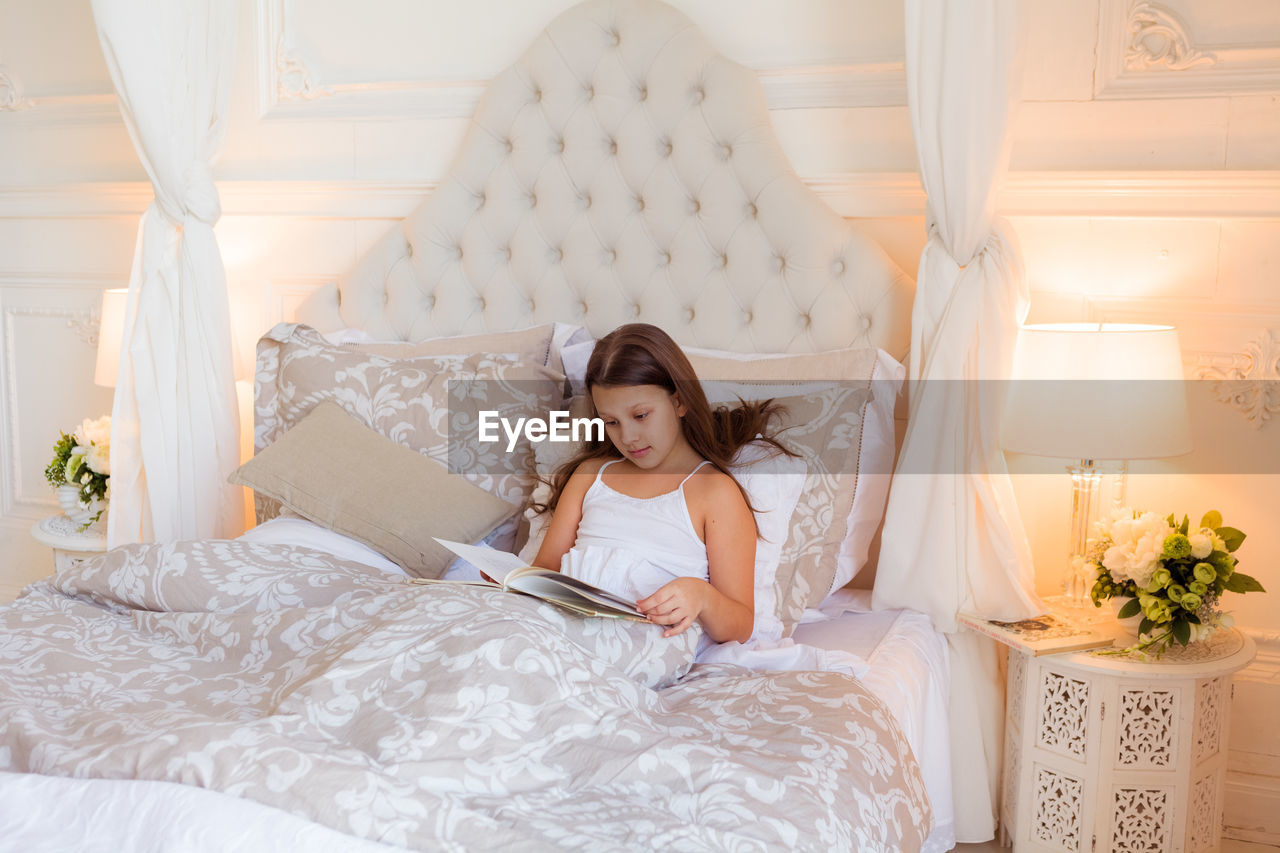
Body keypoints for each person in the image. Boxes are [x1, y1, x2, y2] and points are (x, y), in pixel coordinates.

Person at [531, 323, 792, 646]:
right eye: (611, 422)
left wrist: (703, 596)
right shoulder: (590, 475)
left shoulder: (713, 492)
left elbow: (740, 625)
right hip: (560, 633)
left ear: (679, 402)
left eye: (640, 416)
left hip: (645, 644)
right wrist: (509, 578)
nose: (627, 437)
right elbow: (544, 572)